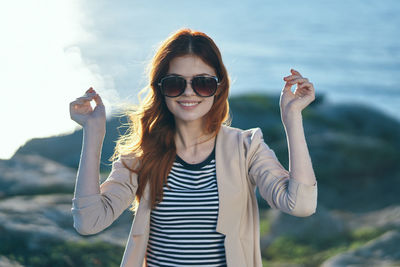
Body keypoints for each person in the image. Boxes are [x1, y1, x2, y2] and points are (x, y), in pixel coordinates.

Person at [69, 28, 317, 267]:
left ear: (218, 88)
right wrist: (93, 132)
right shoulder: (142, 158)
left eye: (203, 83)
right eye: (175, 83)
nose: (189, 93)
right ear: (161, 89)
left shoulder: (247, 148)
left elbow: (301, 205)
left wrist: (292, 117)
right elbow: (89, 222)